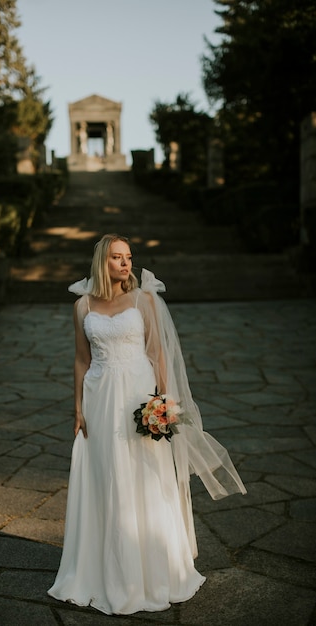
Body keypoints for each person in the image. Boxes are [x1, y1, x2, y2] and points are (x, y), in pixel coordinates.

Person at [48, 234, 246, 615]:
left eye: (129, 257)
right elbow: (80, 359)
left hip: (138, 397)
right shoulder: (82, 306)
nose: (126, 264)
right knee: (106, 477)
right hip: (100, 397)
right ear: (102, 263)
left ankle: (152, 571)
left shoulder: (144, 300)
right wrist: (77, 408)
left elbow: (157, 354)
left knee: (144, 476)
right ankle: (100, 570)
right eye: (117, 258)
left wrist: (164, 404)